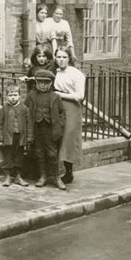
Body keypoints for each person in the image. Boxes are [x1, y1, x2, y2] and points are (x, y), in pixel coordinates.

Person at [25, 67, 67, 188]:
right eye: (40, 82)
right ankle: (42, 176)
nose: (43, 85)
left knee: (52, 153)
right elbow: (26, 111)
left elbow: (62, 113)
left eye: (46, 82)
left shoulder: (55, 97)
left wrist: (60, 125)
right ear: (36, 83)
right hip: (36, 128)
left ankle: (56, 177)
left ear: (51, 83)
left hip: (50, 129)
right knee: (39, 152)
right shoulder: (31, 96)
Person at [53, 48, 86, 185]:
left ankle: (68, 172)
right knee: (56, 136)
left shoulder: (76, 74)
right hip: (56, 105)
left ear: (69, 58)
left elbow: (80, 96)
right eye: (59, 57)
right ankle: (54, 171)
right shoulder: (53, 71)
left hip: (71, 107)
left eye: (64, 57)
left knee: (68, 137)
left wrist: (60, 94)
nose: (61, 60)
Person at [0, 82, 29, 187]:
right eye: (10, 95)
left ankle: (18, 176)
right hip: (8, 137)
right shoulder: (3, 109)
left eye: (15, 95)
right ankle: (8, 176)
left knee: (19, 156)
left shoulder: (24, 109)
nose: (13, 98)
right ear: (6, 97)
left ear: (19, 96)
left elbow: (29, 124)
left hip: (20, 137)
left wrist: (29, 139)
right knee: (8, 156)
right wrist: (0, 139)